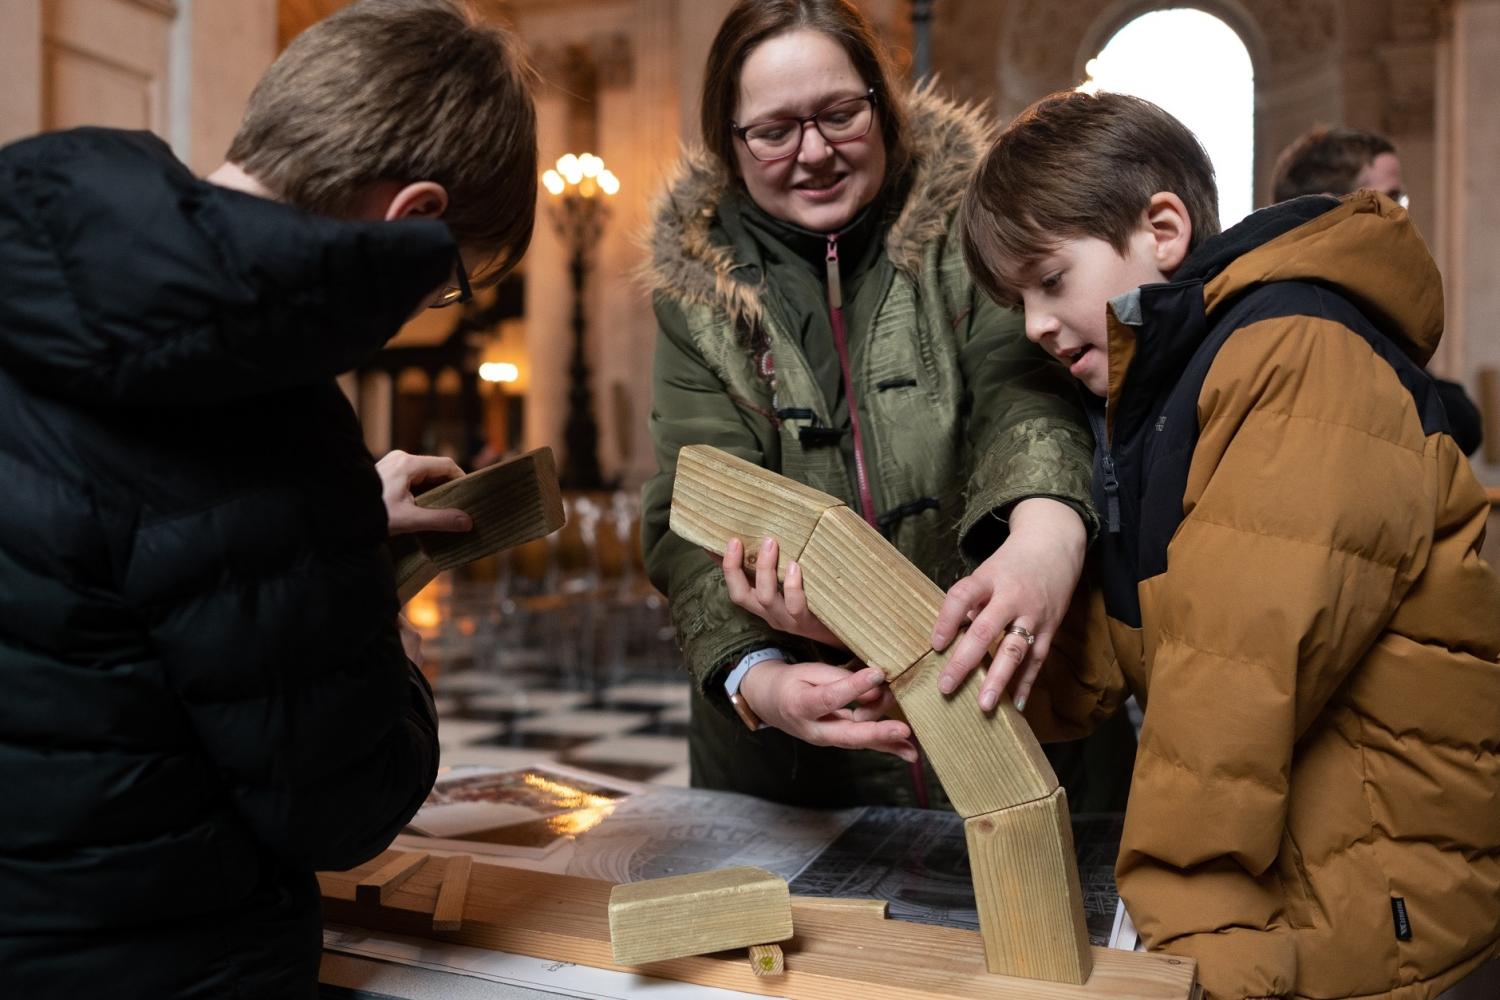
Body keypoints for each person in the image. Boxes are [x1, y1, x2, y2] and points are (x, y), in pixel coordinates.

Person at [0, 1, 536, 996]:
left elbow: (98, 562)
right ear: (413, 220)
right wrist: (368, 607)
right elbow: (340, 808)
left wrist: (328, 534)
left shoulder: (31, 250)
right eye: (446, 284)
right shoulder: (272, 413)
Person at [958, 89, 1500, 1000]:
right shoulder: (1184, 379)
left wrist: (1200, 939)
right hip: (1318, 882)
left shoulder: (1297, 351)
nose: (1036, 326)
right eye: (1016, 300)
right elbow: (1151, 628)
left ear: (1162, 229)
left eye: (1049, 282)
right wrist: (967, 676)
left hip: (1377, 904)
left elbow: (1235, 674)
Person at [640, 0, 1136, 812]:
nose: (814, 152)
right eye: (774, 131)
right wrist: (757, 679)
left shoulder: (972, 227)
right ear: (729, 141)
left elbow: (1026, 397)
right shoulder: (694, 296)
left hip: (1016, 704)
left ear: (882, 102)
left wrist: (1045, 541)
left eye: (840, 114)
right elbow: (688, 513)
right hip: (804, 767)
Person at [1271, 124, 1483, 455]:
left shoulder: (1346, 297)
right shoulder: (1303, 302)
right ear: (1331, 206)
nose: (1401, 214)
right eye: (1392, 197)